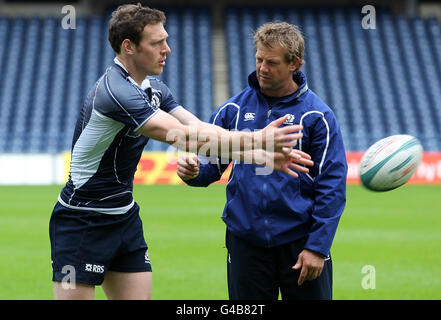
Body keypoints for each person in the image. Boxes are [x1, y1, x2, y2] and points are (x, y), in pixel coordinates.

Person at [49, 4, 309, 300]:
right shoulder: (115, 93)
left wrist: (259, 157)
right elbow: (186, 136)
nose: (167, 49)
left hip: (124, 217)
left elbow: (199, 127)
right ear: (129, 47)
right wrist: (259, 139)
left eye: (166, 40)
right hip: (83, 219)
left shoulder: (154, 88)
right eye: (157, 42)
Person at [178, 22, 347, 300]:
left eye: (272, 62)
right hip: (246, 244)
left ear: (295, 63)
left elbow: (332, 186)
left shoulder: (318, 116)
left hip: (300, 244)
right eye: (258, 59)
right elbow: (211, 165)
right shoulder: (232, 110)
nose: (262, 68)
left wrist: (317, 247)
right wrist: (194, 171)